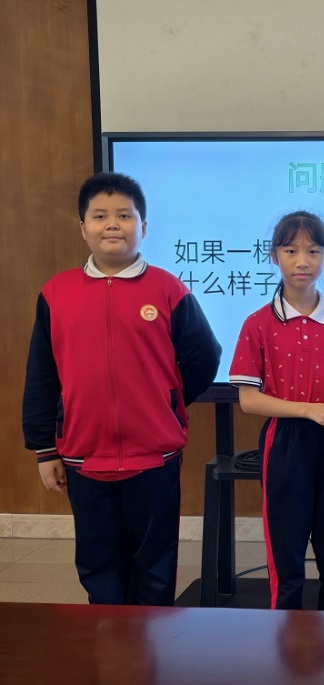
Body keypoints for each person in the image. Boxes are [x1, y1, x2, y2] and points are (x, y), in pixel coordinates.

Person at [22, 172, 221, 606]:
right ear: (83, 227)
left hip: (154, 457)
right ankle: (108, 640)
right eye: (99, 216)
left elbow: (205, 358)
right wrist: (45, 450)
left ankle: (154, 642)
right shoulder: (57, 293)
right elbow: (41, 375)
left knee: (154, 566)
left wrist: (162, 402)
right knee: (99, 565)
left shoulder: (169, 289)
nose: (112, 224)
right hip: (83, 456)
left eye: (124, 215)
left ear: (143, 226)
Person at [229, 210, 324, 611]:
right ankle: (285, 640)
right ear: (274, 256)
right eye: (290, 251)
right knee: (286, 558)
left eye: (313, 251)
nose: (302, 261)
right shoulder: (257, 324)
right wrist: (307, 410)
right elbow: (249, 400)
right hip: (285, 445)